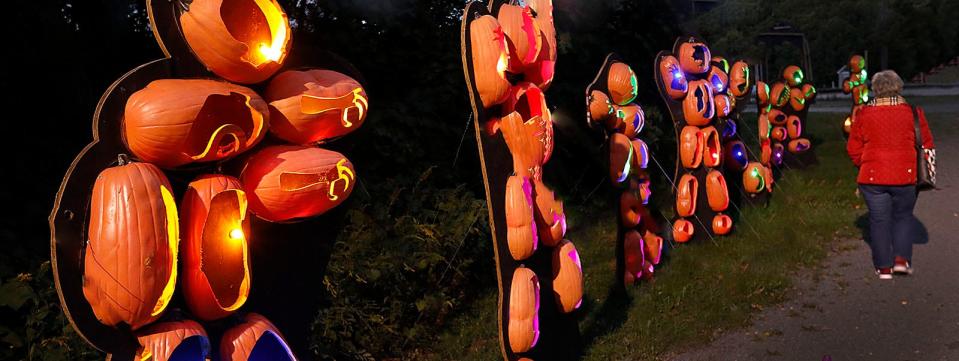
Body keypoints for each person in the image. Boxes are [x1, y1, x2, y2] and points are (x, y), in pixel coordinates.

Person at [846, 70, 934, 280]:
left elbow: (853, 148)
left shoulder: (864, 114)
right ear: (899, 87)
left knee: (879, 221)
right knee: (903, 218)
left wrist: (864, 163)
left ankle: (884, 268)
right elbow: (927, 143)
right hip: (906, 176)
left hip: (872, 177)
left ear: (875, 89)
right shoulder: (914, 112)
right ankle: (901, 261)